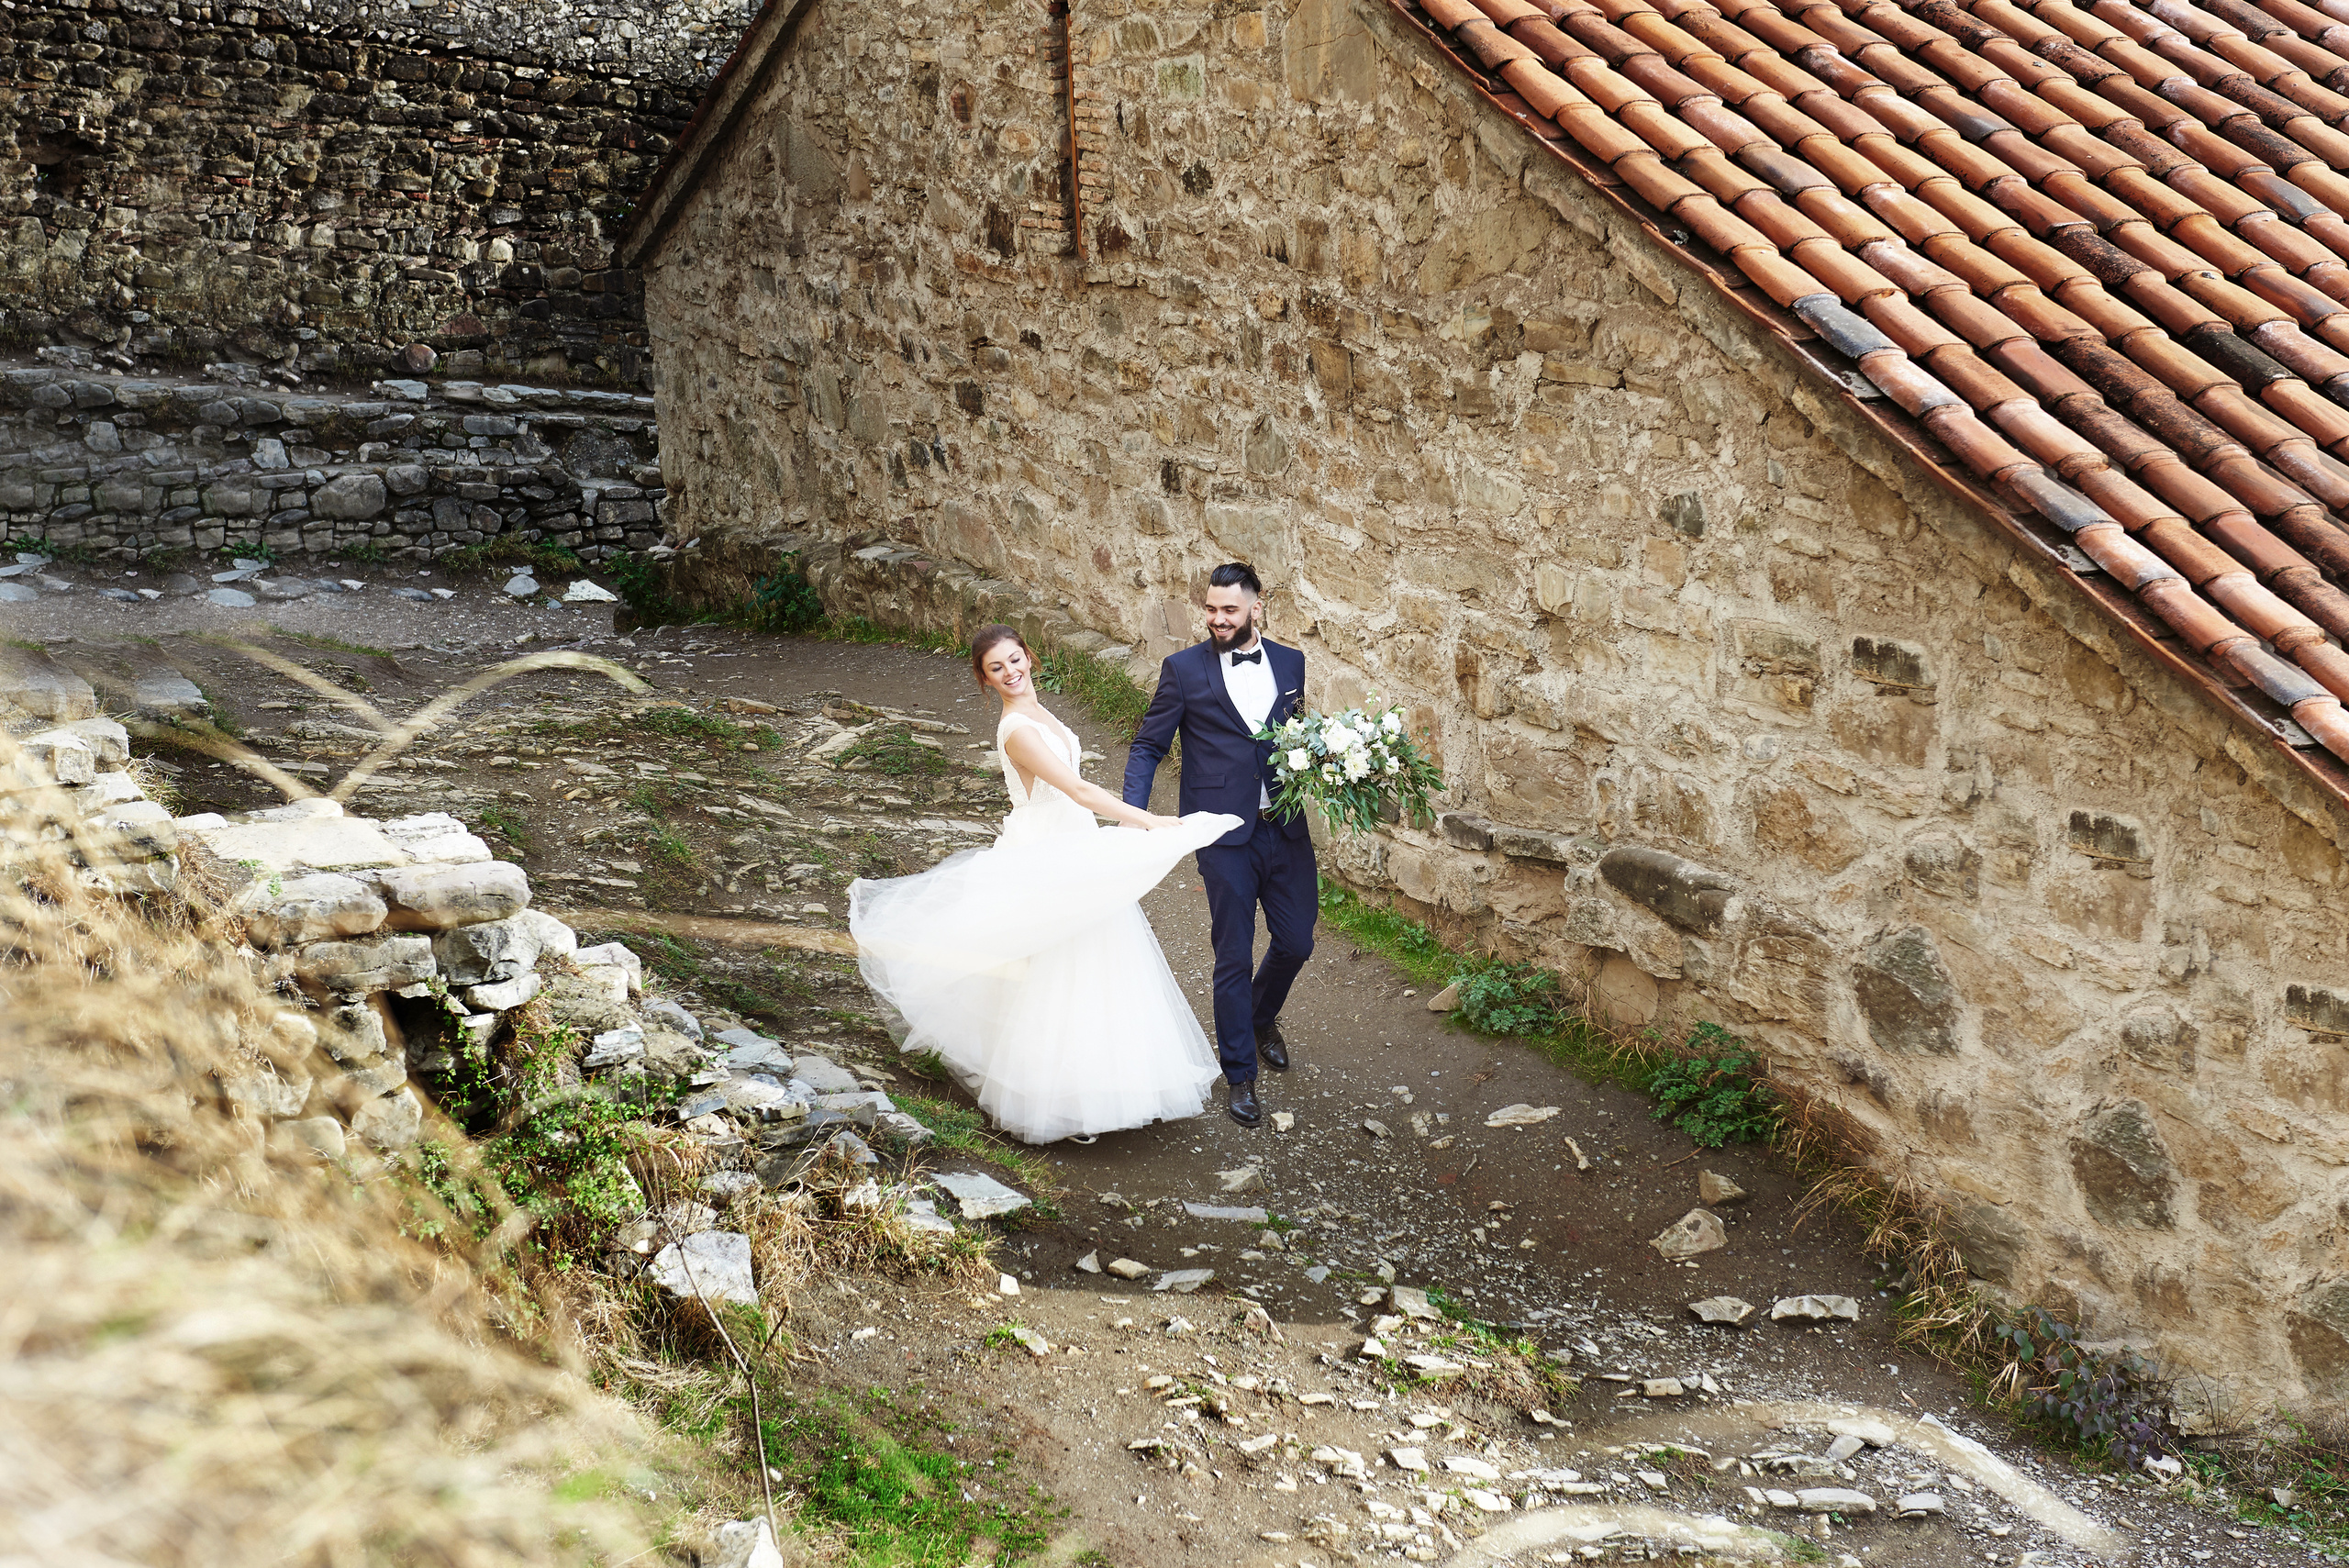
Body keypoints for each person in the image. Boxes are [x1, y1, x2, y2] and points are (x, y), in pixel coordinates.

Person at [847, 625, 1239, 1144]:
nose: (1010, 673)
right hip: (1046, 851)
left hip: (1071, 842)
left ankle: (1104, 1083)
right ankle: (1059, 1100)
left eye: (1015, 660)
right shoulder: (1018, 730)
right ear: (984, 679)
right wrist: (1147, 820)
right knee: (1057, 970)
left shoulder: (1038, 710)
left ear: (1029, 657)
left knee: (1098, 963)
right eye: (996, 669)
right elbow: (1076, 788)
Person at [1120, 562, 1316, 1128]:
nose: (1217, 619)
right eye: (1210, 609)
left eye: (1229, 609)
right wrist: (1135, 815)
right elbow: (1147, 746)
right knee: (1233, 953)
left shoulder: (1291, 663)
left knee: (1297, 941)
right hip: (1220, 834)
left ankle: (1260, 1016)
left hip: (1284, 826)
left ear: (1257, 607)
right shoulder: (1182, 671)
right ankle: (1240, 1074)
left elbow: (1294, 739)